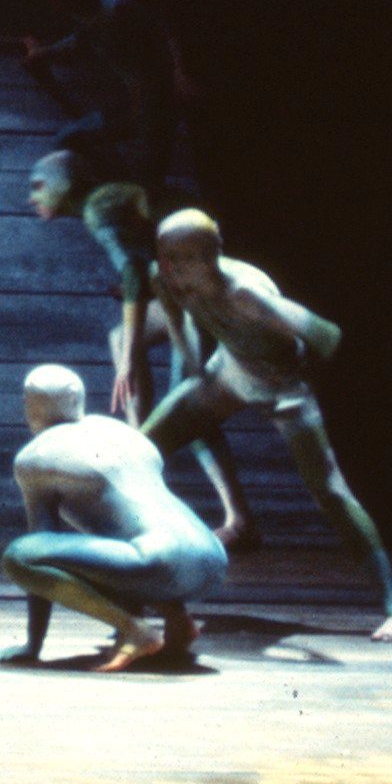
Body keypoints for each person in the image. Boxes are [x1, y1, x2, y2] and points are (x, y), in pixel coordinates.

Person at [141, 209, 392, 642]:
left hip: (283, 388)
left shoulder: (246, 292)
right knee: (137, 451)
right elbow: (179, 317)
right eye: (166, 255)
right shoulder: (164, 277)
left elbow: (326, 336)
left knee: (330, 492)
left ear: (211, 258)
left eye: (184, 258)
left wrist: (300, 359)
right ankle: (137, 582)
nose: (172, 267)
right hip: (229, 373)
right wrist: (194, 367)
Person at [26, 156, 260, 549]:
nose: (33, 196)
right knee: (122, 340)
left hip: (207, 292)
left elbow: (135, 272)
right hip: (187, 290)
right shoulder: (106, 201)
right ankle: (139, 447)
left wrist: (128, 362)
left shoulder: (99, 209)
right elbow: (146, 264)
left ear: (65, 183)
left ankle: (237, 520)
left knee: (188, 399)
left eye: (39, 185)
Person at [0, 364, 228, 672]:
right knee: (114, 547)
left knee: (20, 556)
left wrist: (32, 646)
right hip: (212, 559)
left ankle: (135, 631)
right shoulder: (120, 432)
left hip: (159, 561)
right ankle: (178, 620)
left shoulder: (35, 457)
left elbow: (39, 547)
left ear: (31, 406)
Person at [17, 0, 182, 196]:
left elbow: (164, 36)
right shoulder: (91, 17)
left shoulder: (118, 11)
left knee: (148, 185)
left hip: (154, 112)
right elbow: (80, 41)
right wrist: (43, 54)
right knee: (70, 139)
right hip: (135, 108)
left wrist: (179, 77)